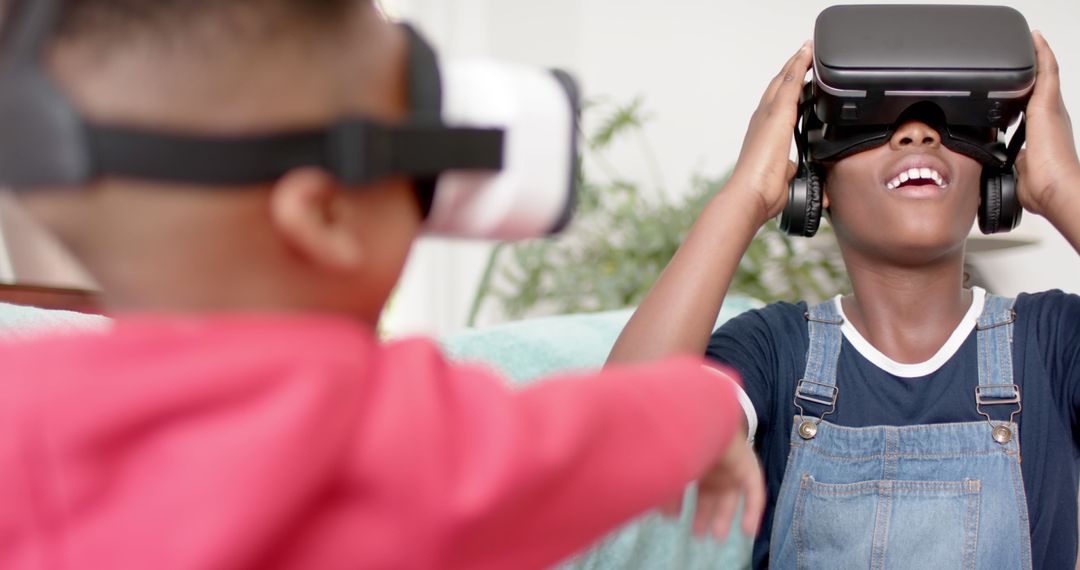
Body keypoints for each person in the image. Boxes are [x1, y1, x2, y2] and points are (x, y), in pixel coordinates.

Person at [0, 1, 764, 568]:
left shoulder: (18, 401)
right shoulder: (377, 428)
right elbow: (578, 441)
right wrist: (702, 409)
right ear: (326, 215)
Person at [609, 32, 1080, 569]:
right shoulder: (773, 352)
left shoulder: (1053, 344)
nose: (917, 134)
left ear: (994, 182)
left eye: (948, 120)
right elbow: (620, 443)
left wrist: (1063, 186)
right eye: (871, 119)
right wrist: (745, 194)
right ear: (816, 187)